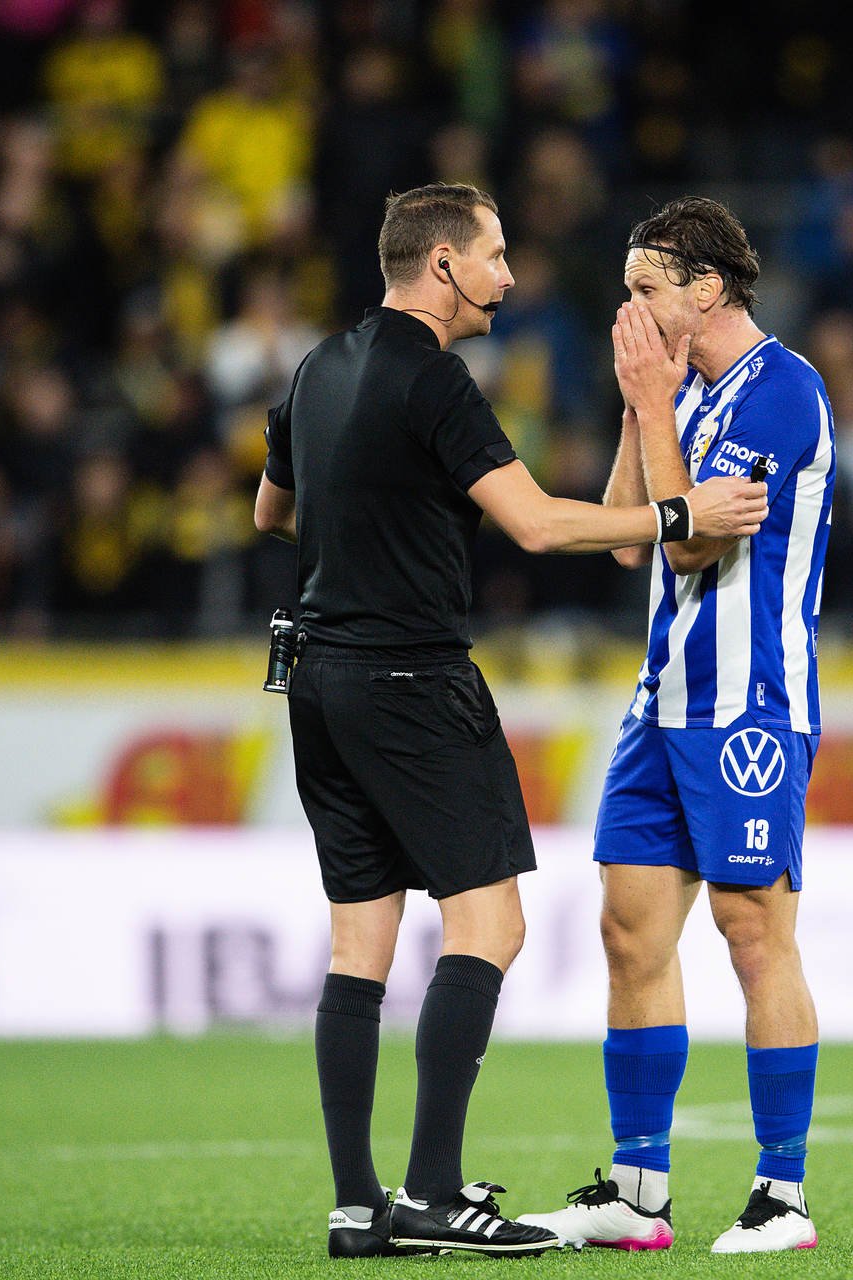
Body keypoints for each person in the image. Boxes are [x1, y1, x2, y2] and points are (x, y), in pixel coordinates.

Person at [253, 182, 765, 1259]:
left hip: (315, 676)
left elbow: (273, 510)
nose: (510, 276)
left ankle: (359, 1203)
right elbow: (535, 525)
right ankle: (435, 1191)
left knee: (360, 940)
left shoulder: (315, 368)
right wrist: (680, 512)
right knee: (490, 925)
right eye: (493, 256)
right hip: (412, 675)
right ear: (441, 266)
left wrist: (375, 507)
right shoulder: (434, 379)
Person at [520, 197, 834, 1254]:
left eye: (646, 286)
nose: (630, 305)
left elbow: (691, 546)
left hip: (749, 707)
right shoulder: (682, 393)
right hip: (661, 704)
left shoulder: (785, 391)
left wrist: (662, 429)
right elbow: (630, 537)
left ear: (708, 289)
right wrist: (636, 406)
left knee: (754, 932)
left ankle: (781, 1196)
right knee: (630, 931)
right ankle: (638, 1188)